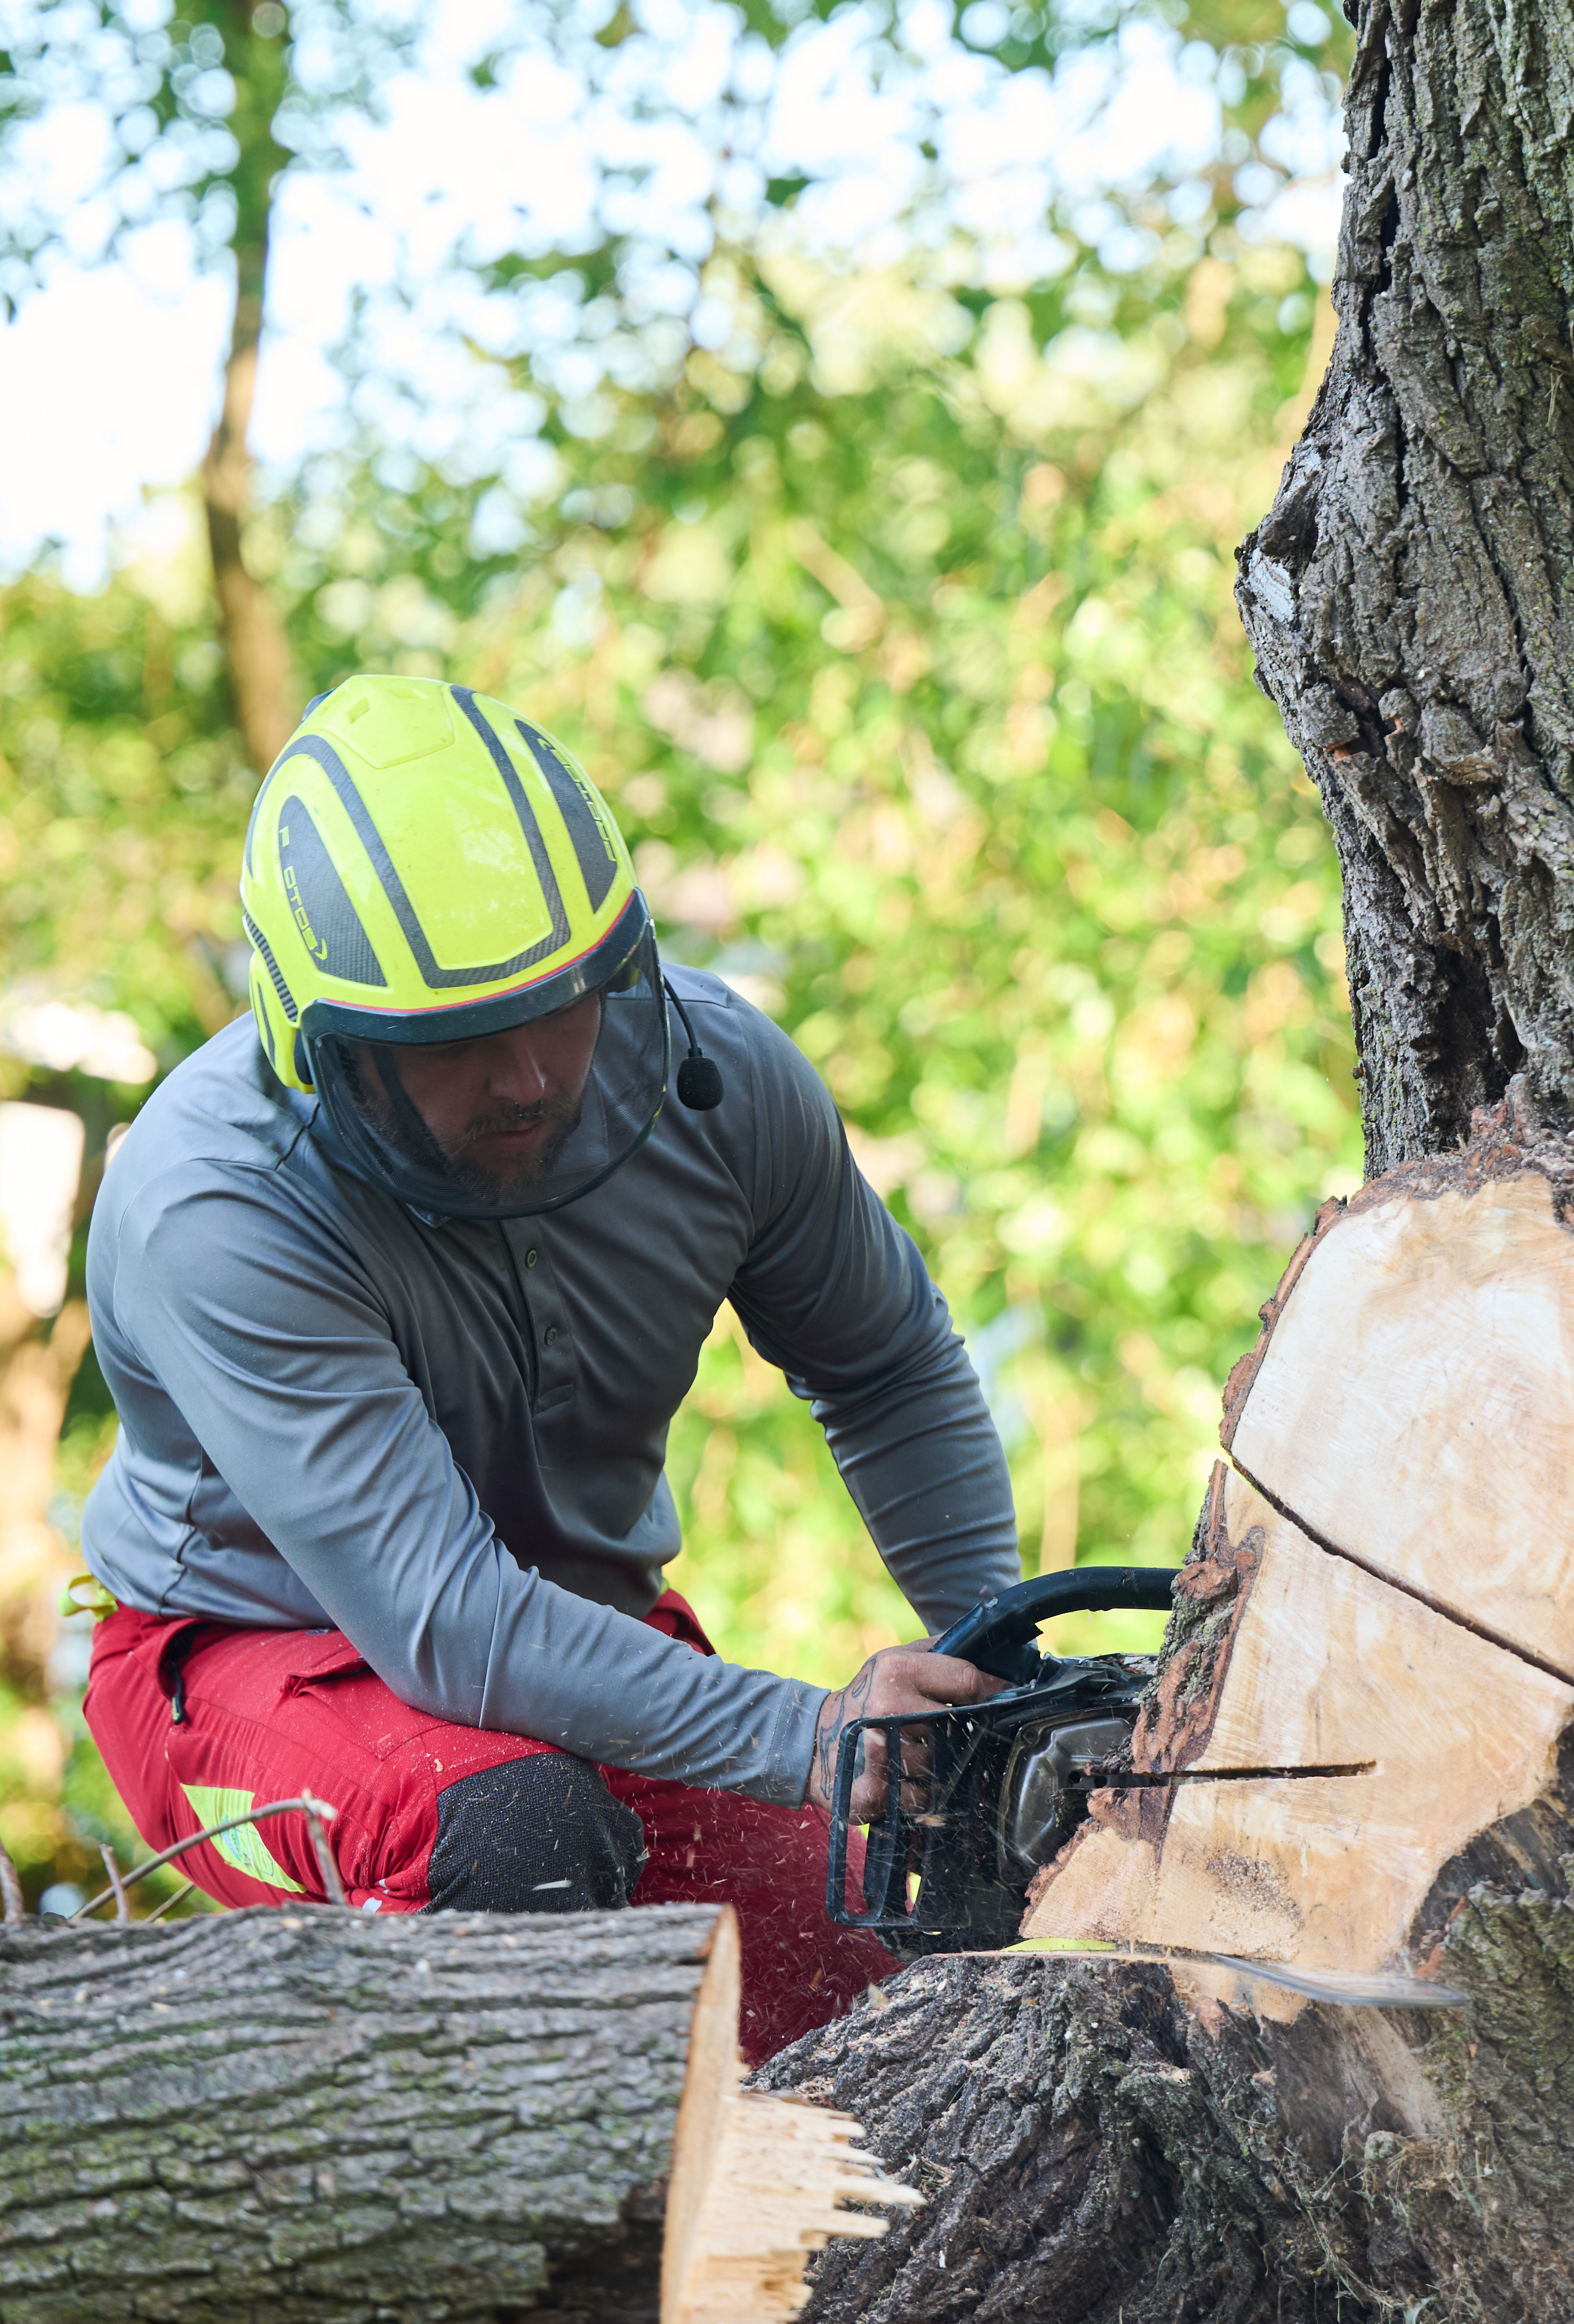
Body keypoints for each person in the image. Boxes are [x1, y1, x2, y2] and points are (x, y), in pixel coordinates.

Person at [69, 673, 1016, 2055]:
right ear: (323, 1048)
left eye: (562, 1005)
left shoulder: (723, 1081)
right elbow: (448, 1619)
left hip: (575, 1648)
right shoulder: (214, 1208)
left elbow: (887, 1367)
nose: (528, 1076)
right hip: (251, 1673)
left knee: (880, 1950)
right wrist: (820, 1735)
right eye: (456, 1045)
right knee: (516, 1842)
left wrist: (1003, 1662)